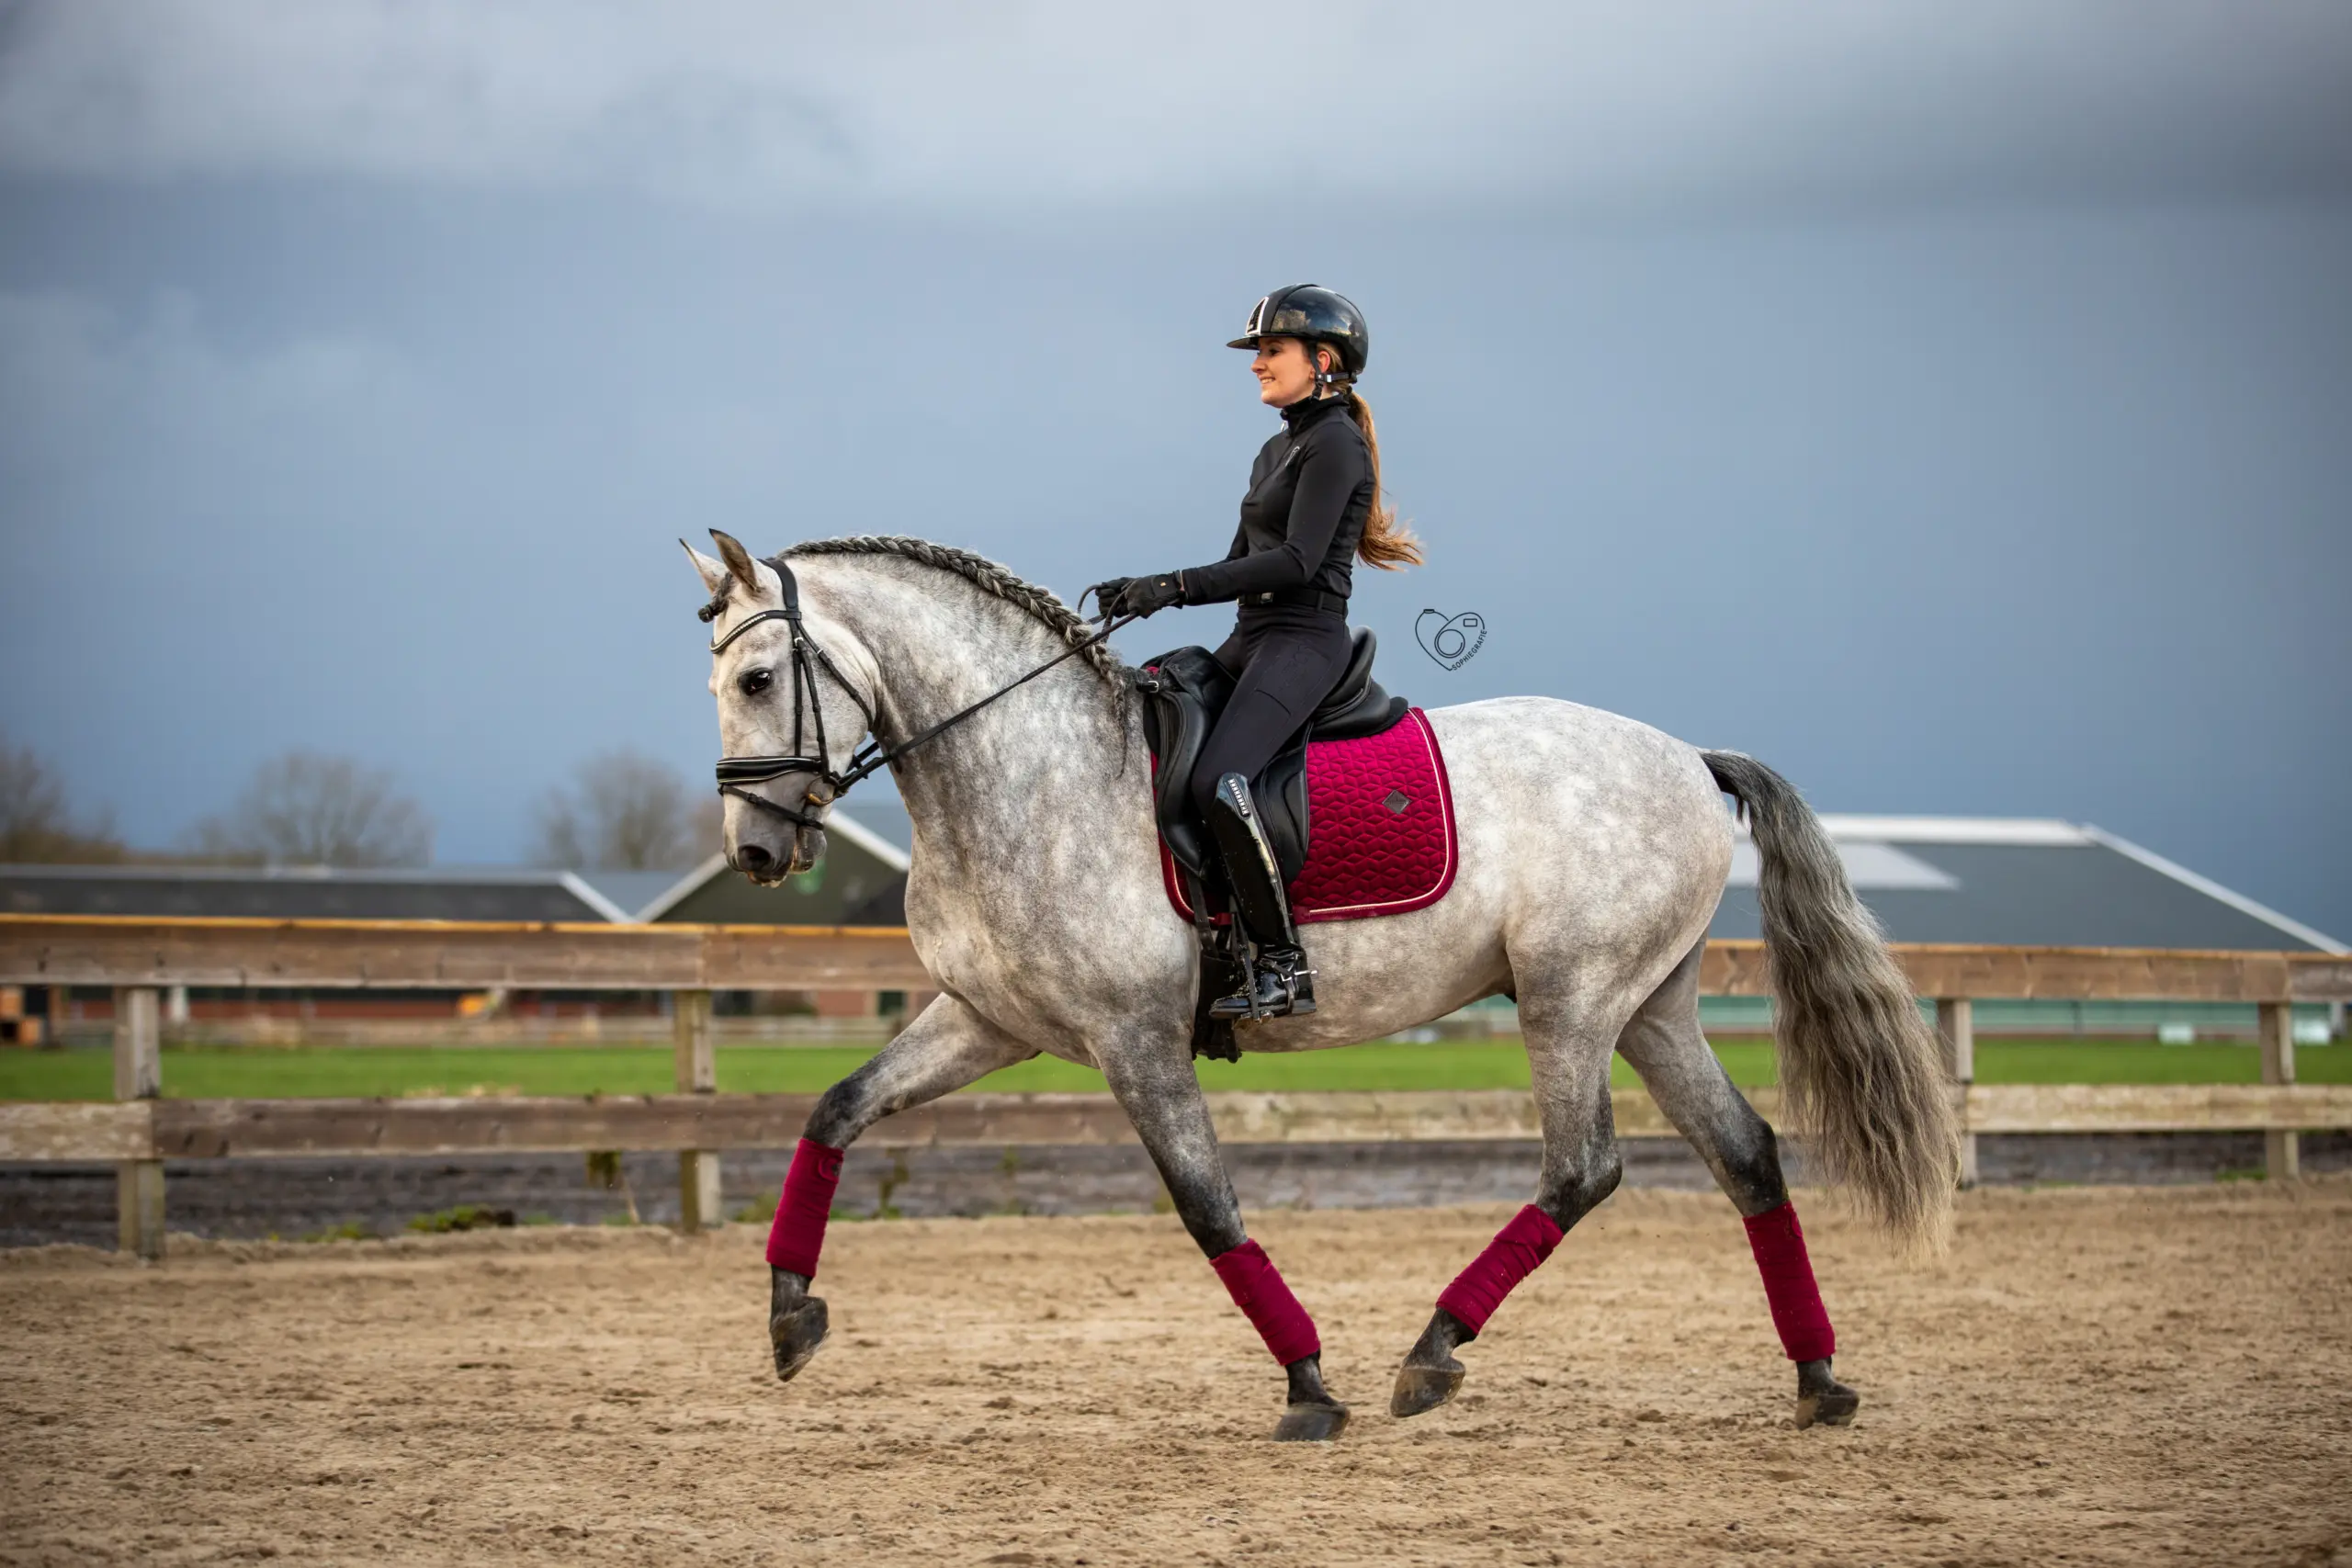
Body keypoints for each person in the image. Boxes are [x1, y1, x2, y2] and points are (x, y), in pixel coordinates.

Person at [1091, 284, 1422, 1021]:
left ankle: (1282, 962)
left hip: (1305, 642)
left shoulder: (1337, 442)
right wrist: (1144, 593)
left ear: (1323, 360)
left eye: (1272, 350)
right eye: (1258, 352)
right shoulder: (1275, 447)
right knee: (1156, 718)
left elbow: (1297, 563)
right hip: (1253, 638)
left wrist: (1170, 584)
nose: (1257, 364)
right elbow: (1240, 562)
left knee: (1220, 778)